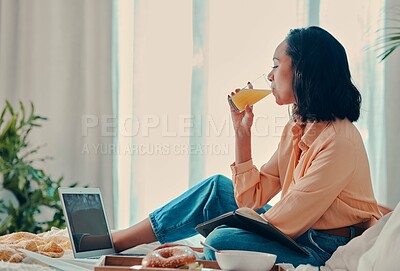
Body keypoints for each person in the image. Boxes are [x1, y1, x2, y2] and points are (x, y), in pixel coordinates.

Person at [112, 26, 382, 267]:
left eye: (276, 65)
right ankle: (118, 240)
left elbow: (285, 223)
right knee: (217, 189)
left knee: (221, 240)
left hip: (319, 247)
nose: (269, 75)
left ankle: (206, 250)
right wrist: (242, 134)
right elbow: (252, 199)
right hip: (295, 231)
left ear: (302, 71)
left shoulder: (339, 142)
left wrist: (199, 246)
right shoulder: (298, 127)